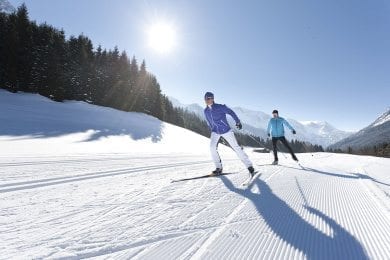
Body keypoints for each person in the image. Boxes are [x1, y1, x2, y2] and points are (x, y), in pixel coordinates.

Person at [203, 92, 255, 176]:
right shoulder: (205, 111)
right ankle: (218, 168)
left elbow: (231, 112)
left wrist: (237, 121)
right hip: (215, 131)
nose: (207, 100)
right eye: (206, 99)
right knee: (212, 147)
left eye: (209, 98)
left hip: (226, 130)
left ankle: (249, 166)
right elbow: (209, 122)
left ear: (212, 99)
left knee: (236, 147)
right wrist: (212, 129)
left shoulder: (220, 107)